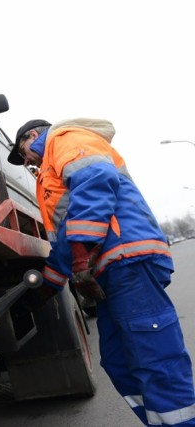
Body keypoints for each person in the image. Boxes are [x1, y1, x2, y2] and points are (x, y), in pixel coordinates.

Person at [10, 118, 195, 426]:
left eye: (23, 152)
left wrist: (82, 254)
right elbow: (64, 245)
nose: (26, 160)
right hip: (106, 269)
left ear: (33, 135)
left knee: (154, 358)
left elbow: (95, 178)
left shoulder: (63, 138)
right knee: (117, 360)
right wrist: (45, 290)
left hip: (125, 259)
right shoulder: (49, 177)